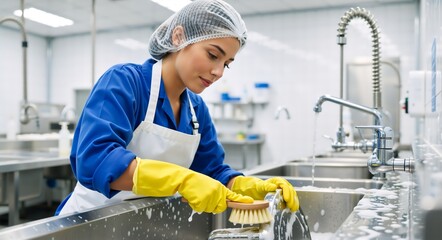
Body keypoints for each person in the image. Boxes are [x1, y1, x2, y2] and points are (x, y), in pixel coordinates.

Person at [56, 0, 299, 216]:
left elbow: (212, 170)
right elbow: (95, 159)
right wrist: (180, 180)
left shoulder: (196, 110)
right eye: (213, 55)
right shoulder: (125, 82)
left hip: (145, 223)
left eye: (227, 64)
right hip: (90, 221)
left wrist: (246, 184)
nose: (218, 72)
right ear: (179, 37)